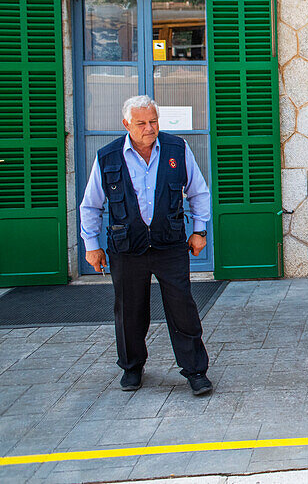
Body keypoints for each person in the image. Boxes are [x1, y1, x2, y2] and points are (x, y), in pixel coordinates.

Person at [79, 95, 213, 395]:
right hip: (127, 248)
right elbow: (90, 206)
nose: (149, 128)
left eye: (153, 121)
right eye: (141, 123)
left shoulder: (177, 149)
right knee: (129, 312)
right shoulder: (108, 156)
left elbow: (198, 192)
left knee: (183, 309)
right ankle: (132, 368)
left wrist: (200, 232)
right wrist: (91, 245)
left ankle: (195, 371)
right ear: (126, 124)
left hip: (170, 245)